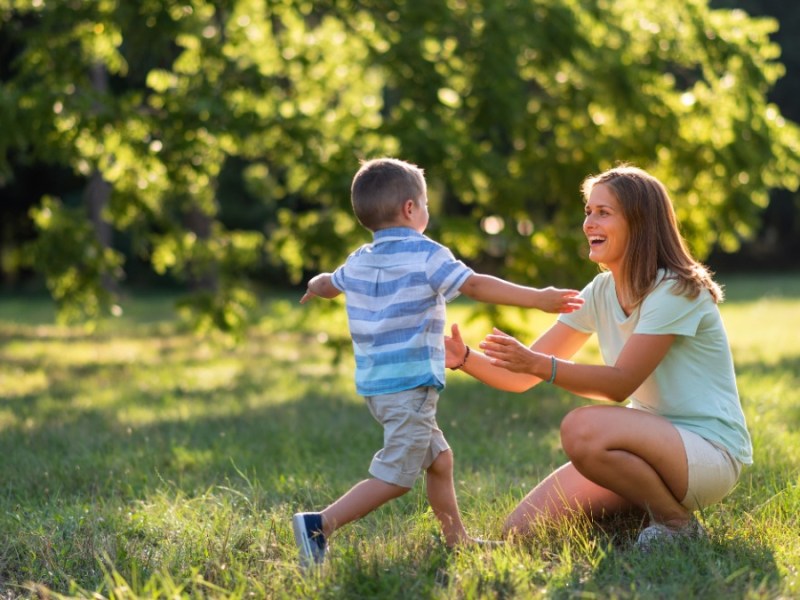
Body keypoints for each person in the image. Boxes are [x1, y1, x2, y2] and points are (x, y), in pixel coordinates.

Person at [291, 157, 584, 567]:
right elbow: (477, 285)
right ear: (411, 209)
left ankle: (457, 540)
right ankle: (319, 525)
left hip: (379, 387)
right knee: (395, 477)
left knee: (440, 460)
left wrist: (311, 285)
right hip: (410, 387)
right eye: (425, 204)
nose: (427, 211)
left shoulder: (359, 258)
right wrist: (537, 298)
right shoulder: (426, 254)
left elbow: (327, 283)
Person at [445, 164, 752, 548]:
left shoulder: (675, 290)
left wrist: (539, 365)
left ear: (639, 223)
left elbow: (621, 384)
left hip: (709, 453)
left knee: (581, 428)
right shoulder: (600, 291)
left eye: (603, 213)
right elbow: (520, 377)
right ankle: (642, 510)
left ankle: (675, 522)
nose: (589, 222)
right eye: (588, 211)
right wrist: (462, 357)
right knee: (520, 531)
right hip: (644, 450)